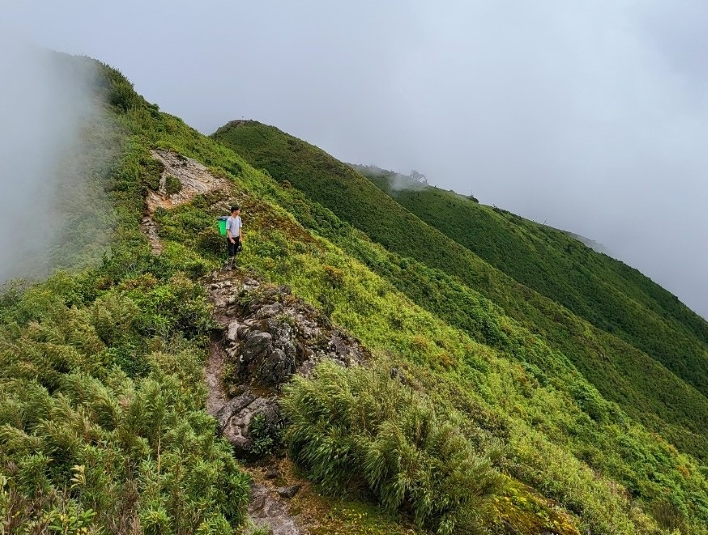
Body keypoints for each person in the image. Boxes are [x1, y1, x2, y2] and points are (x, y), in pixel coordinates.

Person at [226, 205, 243, 269]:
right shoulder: (229, 219)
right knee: (231, 252)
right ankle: (229, 266)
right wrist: (230, 239)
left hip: (237, 237)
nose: (239, 211)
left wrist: (240, 237)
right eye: (238, 210)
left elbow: (240, 228)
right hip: (231, 238)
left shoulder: (239, 218)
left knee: (235, 252)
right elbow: (227, 230)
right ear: (234, 211)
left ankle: (233, 265)